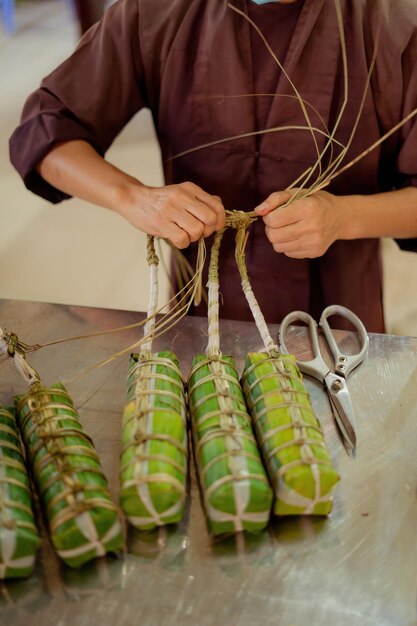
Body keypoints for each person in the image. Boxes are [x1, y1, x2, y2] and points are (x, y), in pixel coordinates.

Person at [9, 0, 417, 332]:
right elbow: (43, 130)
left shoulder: (394, 26)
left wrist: (343, 217)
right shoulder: (155, 13)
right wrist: (134, 197)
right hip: (202, 314)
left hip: (337, 320)